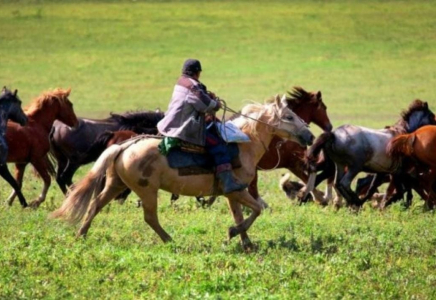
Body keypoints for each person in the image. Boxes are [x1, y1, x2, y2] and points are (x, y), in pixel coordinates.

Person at [157, 58, 247, 194]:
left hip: (172, 123)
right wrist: (217, 104)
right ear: (197, 72)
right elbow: (207, 105)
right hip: (186, 129)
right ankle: (228, 183)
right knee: (218, 145)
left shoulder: (181, 82)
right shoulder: (193, 86)